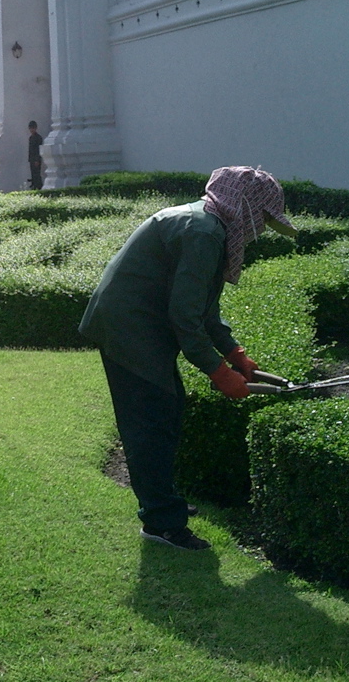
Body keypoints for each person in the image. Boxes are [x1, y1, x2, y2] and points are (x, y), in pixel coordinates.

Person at [79, 166, 297, 551]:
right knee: (151, 419)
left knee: (166, 410)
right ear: (244, 206)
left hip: (139, 324)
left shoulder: (208, 224)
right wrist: (218, 372)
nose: (261, 230)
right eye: (262, 219)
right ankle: (162, 523)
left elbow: (203, 309)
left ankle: (163, 501)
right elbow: (185, 316)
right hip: (129, 328)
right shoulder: (203, 232)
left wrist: (234, 354)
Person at [28, 121, 43, 190]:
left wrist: (37, 159)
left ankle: (38, 186)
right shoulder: (31, 138)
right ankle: (34, 185)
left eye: (33, 128)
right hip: (32, 159)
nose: (32, 130)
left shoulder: (38, 138)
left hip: (36, 159)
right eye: (30, 128)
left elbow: (38, 150)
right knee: (33, 173)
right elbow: (30, 150)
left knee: (37, 173)